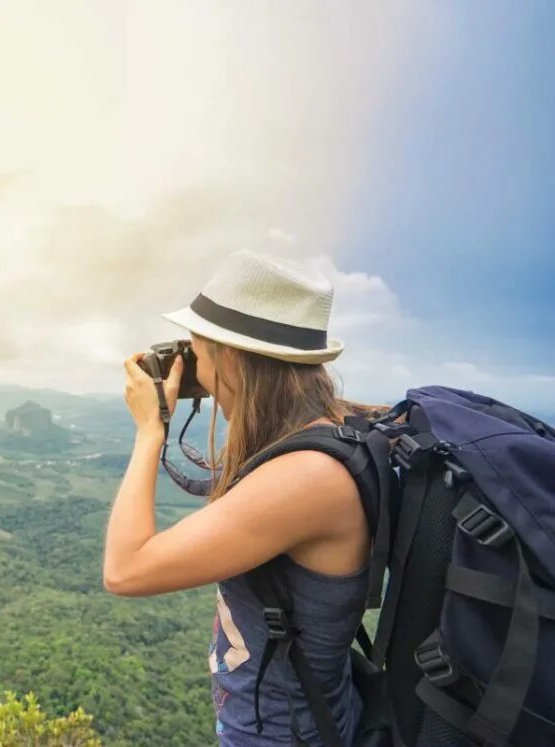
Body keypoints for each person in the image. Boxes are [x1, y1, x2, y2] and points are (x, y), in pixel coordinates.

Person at [103, 250, 388, 746]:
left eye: (197, 348)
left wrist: (150, 431)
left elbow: (125, 570)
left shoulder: (308, 477)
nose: (189, 360)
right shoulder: (323, 435)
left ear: (230, 355)